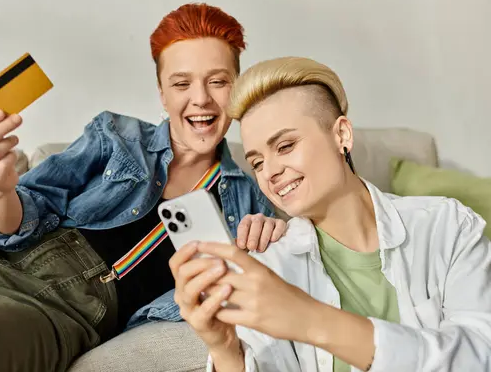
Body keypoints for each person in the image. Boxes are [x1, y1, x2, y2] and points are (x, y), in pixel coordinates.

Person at [0, 4, 287, 372]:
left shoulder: (251, 204)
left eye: (218, 81)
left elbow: (275, 287)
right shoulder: (116, 135)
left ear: (237, 90)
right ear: (162, 95)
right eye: (181, 83)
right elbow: (12, 222)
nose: (200, 99)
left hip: (47, 312)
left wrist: (277, 243)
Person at [170, 56, 491, 372]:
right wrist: (226, 352)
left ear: (342, 135)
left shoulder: (447, 227)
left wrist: (310, 319)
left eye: (284, 146)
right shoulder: (270, 265)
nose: (270, 172)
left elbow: (480, 355)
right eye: (257, 162)